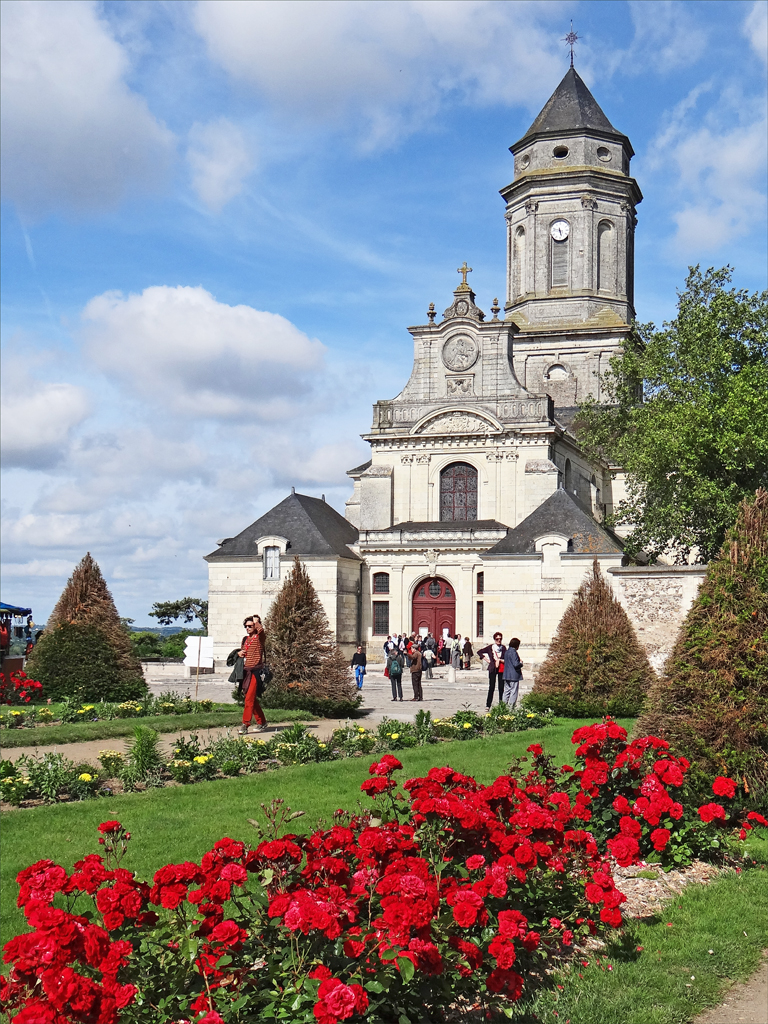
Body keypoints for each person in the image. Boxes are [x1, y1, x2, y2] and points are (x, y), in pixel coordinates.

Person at [237, 615, 267, 734]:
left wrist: (257, 621)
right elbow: (242, 654)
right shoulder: (245, 639)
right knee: (251, 699)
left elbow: (261, 631)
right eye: (246, 626)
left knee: (249, 699)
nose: (248, 628)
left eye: (250, 626)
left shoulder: (260, 638)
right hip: (245, 671)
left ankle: (245, 724)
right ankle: (262, 722)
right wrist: (240, 653)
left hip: (255, 672)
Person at [478, 632, 507, 711]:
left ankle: (501, 705)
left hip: (501, 668)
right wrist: (487, 660)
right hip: (492, 668)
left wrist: (500, 660)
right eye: (497, 639)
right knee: (491, 687)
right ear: (494, 639)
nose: (499, 640)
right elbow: (479, 652)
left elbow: (506, 657)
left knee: (501, 687)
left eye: (500, 639)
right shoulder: (490, 647)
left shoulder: (503, 648)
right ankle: (488, 705)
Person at [502, 638, 524, 707]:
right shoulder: (513, 652)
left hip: (506, 674)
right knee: (513, 692)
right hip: (513, 676)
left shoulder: (507, 651)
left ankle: (503, 706)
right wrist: (521, 663)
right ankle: (510, 708)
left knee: (506, 692)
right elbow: (516, 664)